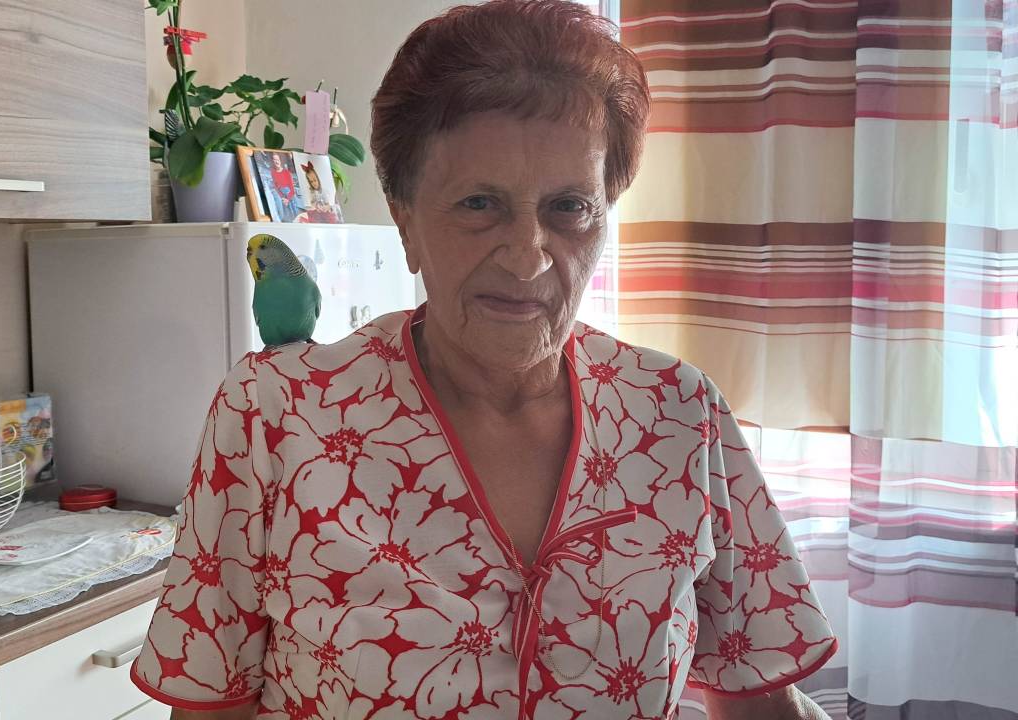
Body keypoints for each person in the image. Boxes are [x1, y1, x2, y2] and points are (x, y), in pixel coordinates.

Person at [131, 2, 837, 718]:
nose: (529, 257)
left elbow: (757, 693)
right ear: (405, 218)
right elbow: (210, 704)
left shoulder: (678, 412)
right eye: (478, 203)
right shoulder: (277, 417)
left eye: (569, 207)